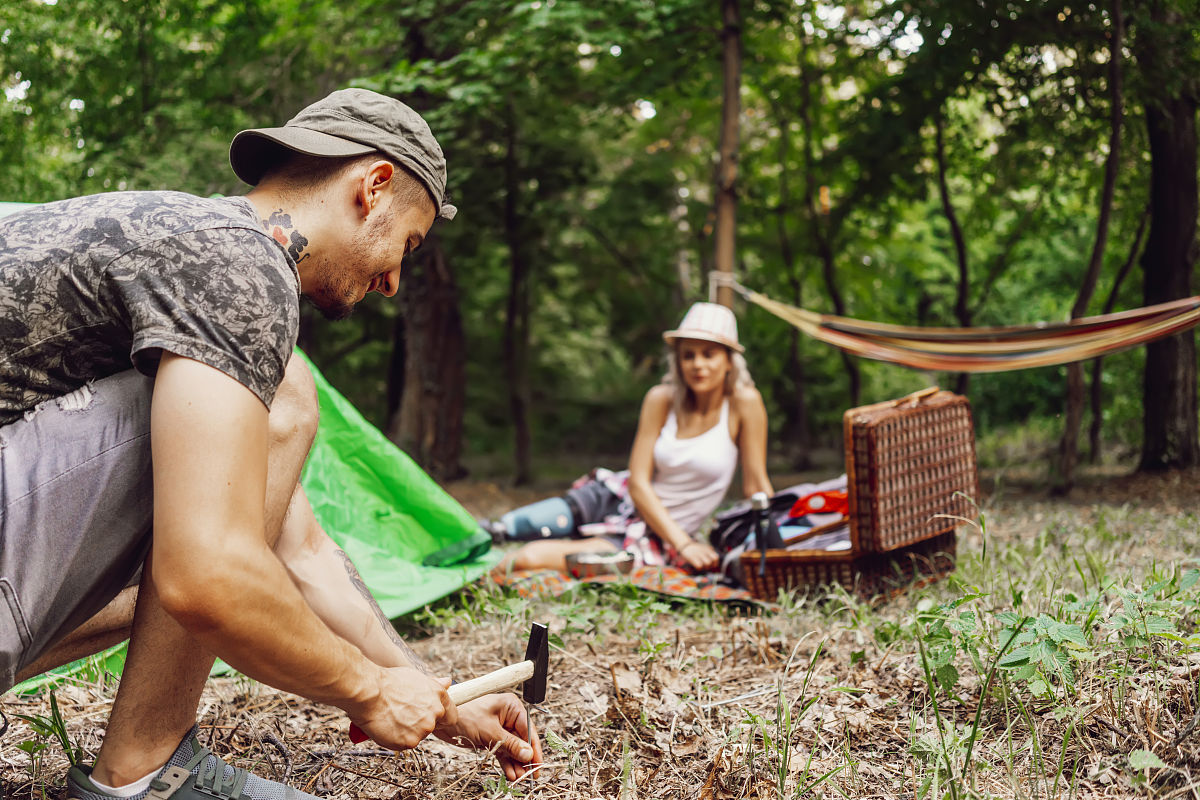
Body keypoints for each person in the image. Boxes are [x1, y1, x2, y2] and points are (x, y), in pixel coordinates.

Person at [0, 88, 542, 800]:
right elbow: (208, 575)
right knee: (283, 402)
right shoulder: (242, 262)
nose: (391, 282)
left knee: (215, 520)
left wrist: (431, 692)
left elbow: (297, 546)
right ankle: (145, 773)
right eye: (405, 246)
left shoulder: (187, 244)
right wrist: (371, 691)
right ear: (373, 185)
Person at [496, 302, 774, 575]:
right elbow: (638, 484)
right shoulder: (661, 398)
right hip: (611, 497)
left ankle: (463, 582)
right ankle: (456, 564)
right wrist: (685, 544)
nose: (697, 364)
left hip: (648, 533)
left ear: (728, 360)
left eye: (709, 354)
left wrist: (778, 535)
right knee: (505, 527)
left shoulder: (744, 404)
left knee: (529, 559)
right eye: (688, 355)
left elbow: (756, 486)